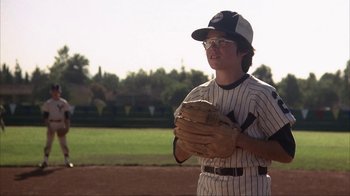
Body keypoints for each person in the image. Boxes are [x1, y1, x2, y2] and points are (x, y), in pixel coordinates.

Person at [173, 10, 296, 195]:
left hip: (249, 185)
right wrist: (192, 140)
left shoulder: (262, 94)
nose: (212, 48)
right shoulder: (197, 95)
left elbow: (286, 152)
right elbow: (177, 155)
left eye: (222, 42)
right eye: (208, 43)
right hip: (207, 186)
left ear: (244, 49)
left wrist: (239, 140)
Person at [39, 84, 74, 168]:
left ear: (60, 92)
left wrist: (67, 127)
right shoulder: (48, 103)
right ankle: (45, 161)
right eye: (54, 91)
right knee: (48, 143)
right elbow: (45, 117)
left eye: (57, 91)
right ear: (51, 92)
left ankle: (67, 161)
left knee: (64, 144)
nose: (55, 93)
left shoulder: (64, 102)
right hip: (51, 123)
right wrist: (49, 127)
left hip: (61, 124)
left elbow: (67, 116)